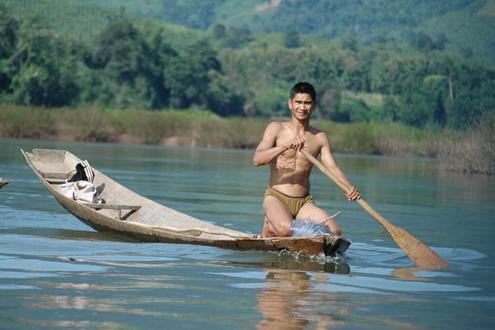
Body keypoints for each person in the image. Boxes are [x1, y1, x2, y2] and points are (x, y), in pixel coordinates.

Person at [252, 82, 360, 237]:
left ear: (313, 106)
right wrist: (285, 146)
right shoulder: (276, 128)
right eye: (298, 102)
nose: (302, 107)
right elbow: (257, 159)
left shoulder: (319, 137)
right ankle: (271, 225)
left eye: (307, 103)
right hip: (276, 197)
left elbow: (332, 167)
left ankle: (290, 230)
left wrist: (349, 188)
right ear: (290, 104)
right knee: (285, 230)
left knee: (334, 233)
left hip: (304, 202)